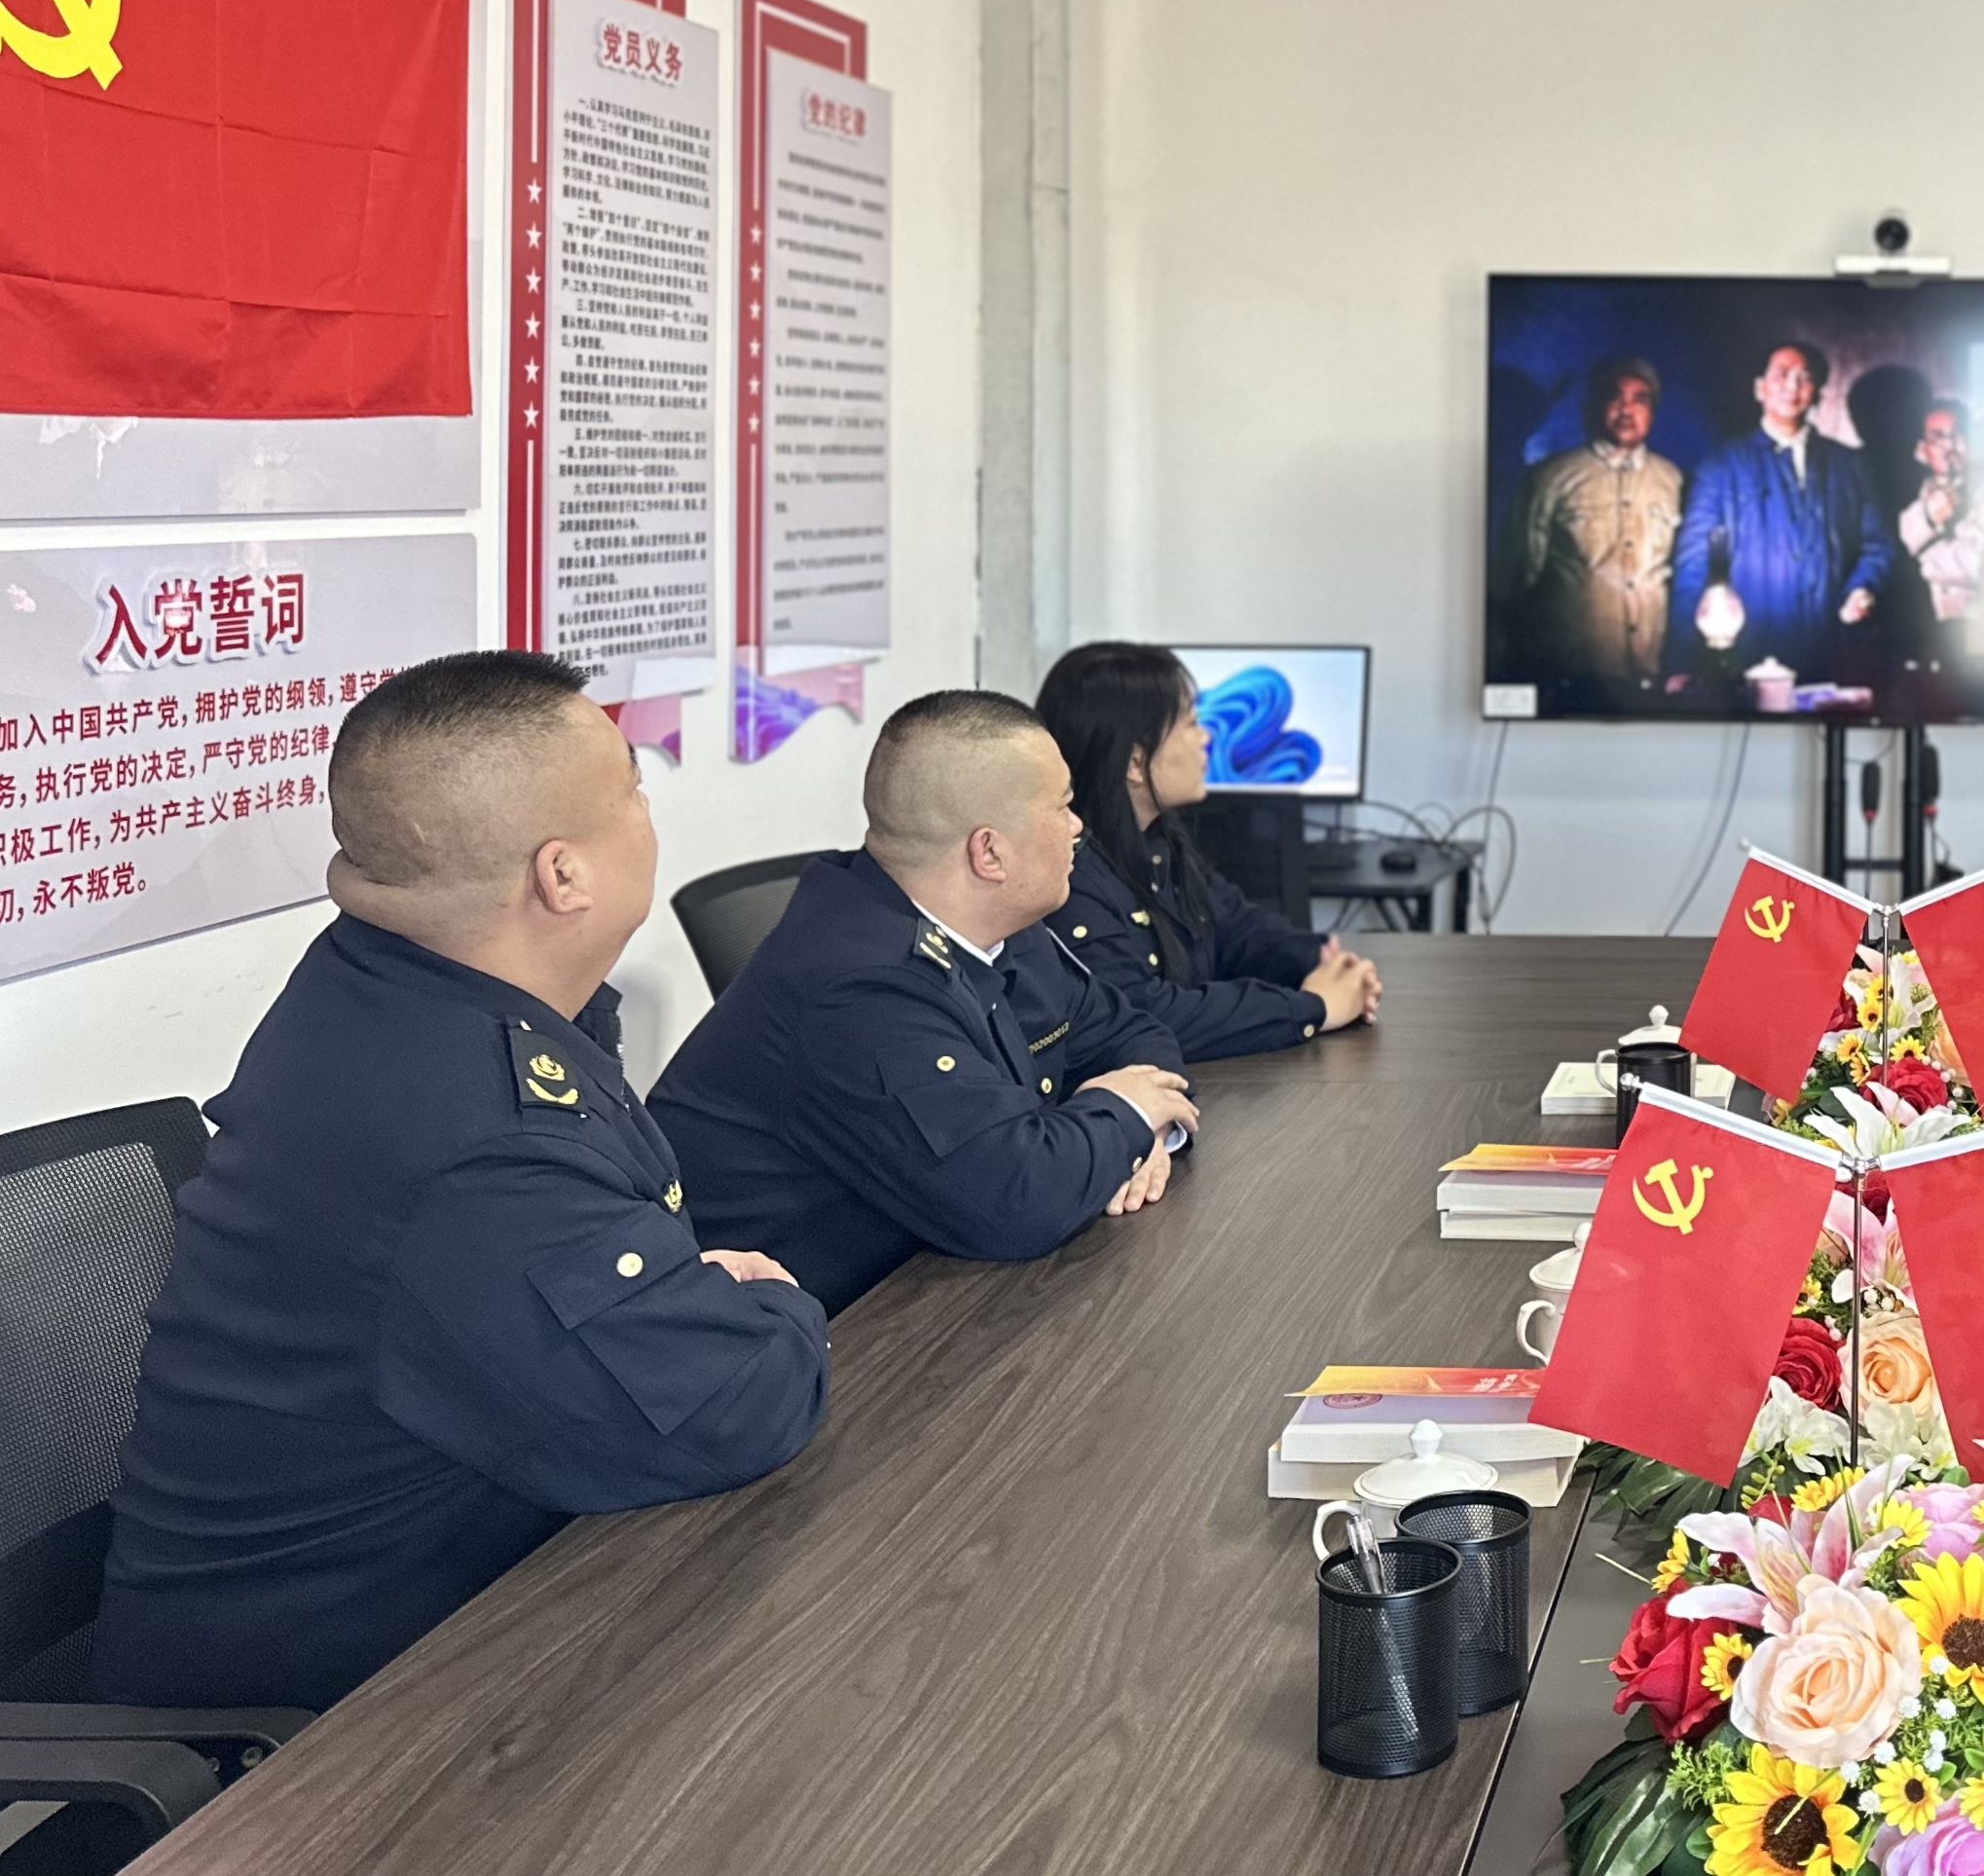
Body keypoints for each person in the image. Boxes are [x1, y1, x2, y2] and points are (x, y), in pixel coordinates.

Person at [92, 652, 827, 1710]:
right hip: (335, 1723)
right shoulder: (474, 1134)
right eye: (632, 788)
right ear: (562, 876)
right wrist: (777, 1302)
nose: (647, 808)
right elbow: (720, 1412)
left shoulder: (384, 981)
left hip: (467, 1585)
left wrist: (692, 1303)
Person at [649, 689, 1198, 1314]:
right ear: (989, 852)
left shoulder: (1001, 924)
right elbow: (1016, 1201)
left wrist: (1139, 1135)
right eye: (1063, 806)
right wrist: (1127, 1115)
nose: (1078, 827)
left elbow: (1134, 1033)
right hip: (820, 1329)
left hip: (930, 1268)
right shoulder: (859, 989)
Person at [1035, 640, 1380, 1058]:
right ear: (1135, 763)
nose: (1206, 737)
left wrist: (1327, 964)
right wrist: (1312, 1008)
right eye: (1191, 723)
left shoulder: (1159, 844)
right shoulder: (1072, 877)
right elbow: (1144, 1013)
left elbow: (1239, 930)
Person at [1671, 334, 1887, 678]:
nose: (1792, 386)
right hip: (1750, 653)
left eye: (1804, 377)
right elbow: (1693, 565)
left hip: (1834, 649)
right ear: (1760, 389)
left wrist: (1862, 588)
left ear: (1817, 392)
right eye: (1782, 374)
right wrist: (1682, 663)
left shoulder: (1849, 466)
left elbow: (1877, 545)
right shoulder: (1721, 467)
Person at [1504, 353, 1683, 696]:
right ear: (1594, 405)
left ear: (1653, 412)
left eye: (1640, 399)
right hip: (1569, 681)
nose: (1627, 409)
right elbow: (1514, 578)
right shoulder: (1550, 478)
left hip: (1650, 681)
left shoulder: (1673, 481)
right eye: (1615, 396)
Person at [1894, 395, 1984, 644]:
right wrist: (1927, 517)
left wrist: (1921, 560)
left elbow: (1978, 564)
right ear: (1922, 449)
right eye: (1938, 437)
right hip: (1923, 633)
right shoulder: (1907, 489)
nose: (1949, 446)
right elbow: (1893, 544)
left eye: (1958, 435)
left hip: (1977, 629)